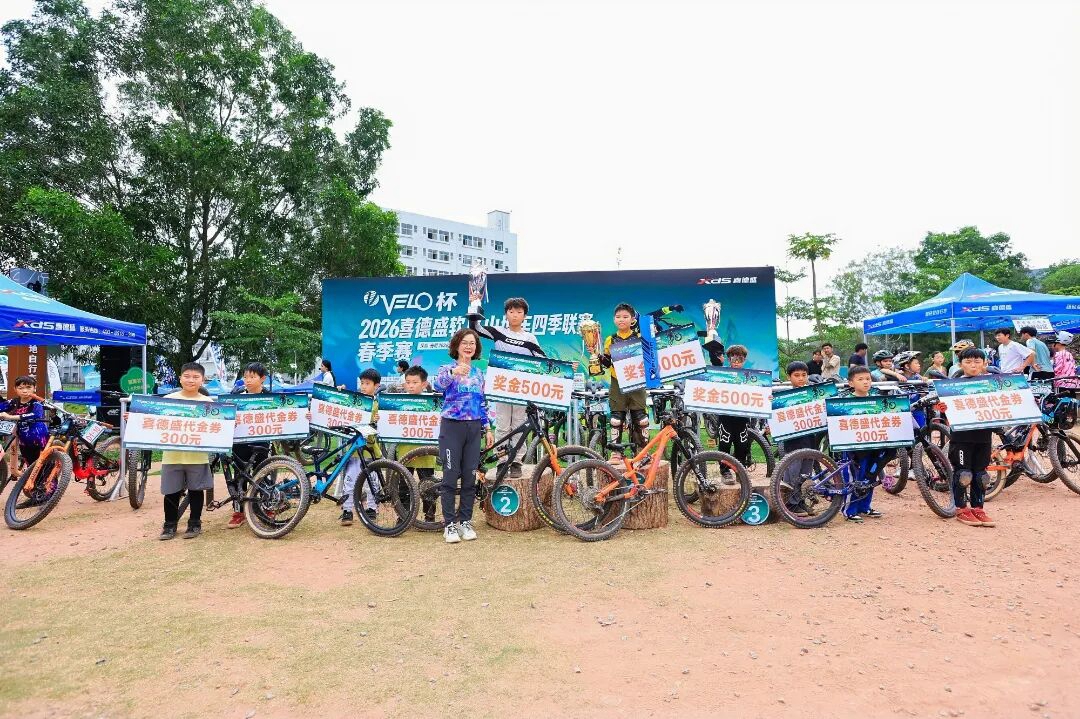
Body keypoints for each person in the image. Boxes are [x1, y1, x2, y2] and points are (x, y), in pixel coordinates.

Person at [470, 297, 543, 478]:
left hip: (522, 388)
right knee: (503, 425)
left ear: (525, 316)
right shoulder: (498, 332)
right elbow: (475, 329)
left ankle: (516, 461)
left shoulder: (530, 338)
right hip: (502, 386)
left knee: (519, 423)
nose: (515, 315)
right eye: (511, 311)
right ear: (506, 314)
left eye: (519, 312)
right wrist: (475, 306)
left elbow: (542, 360)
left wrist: (565, 368)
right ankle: (503, 461)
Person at [433, 329, 493, 544]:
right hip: (452, 428)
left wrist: (488, 428)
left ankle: (465, 521)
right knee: (450, 475)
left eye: (473, 343)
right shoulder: (446, 369)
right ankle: (449, 524)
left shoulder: (478, 374)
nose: (469, 346)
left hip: (474, 427)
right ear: (457, 345)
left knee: (470, 476)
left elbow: (482, 402)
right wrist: (454, 373)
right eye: (465, 342)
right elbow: (437, 385)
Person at [158, 363, 215, 540]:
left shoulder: (209, 403)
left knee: (196, 491)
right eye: (187, 376)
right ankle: (169, 526)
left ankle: (195, 524)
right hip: (171, 455)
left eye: (196, 377)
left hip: (198, 457)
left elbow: (218, 425)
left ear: (202, 380)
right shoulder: (168, 399)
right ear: (180, 378)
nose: (191, 380)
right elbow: (151, 421)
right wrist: (136, 418)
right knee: (171, 492)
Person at [593, 303, 650, 453]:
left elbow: (650, 357)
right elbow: (607, 363)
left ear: (632, 320)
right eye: (618, 317)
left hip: (636, 382)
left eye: (625, 317)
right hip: (617, 382)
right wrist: (598, 357)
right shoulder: (610, 340)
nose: (621, 320)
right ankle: (616, 453)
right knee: (616, 419)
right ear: (614, 320)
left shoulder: (640, 337)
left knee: (641, 418)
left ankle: (643, 452)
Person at [949, 347, 996, 527]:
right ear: (960, 364)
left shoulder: (992, 384)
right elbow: (941, 406)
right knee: (964, 473)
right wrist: (943, 408)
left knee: (981, 475)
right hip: (961, 436)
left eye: (977, 361)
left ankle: (978, 508)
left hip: (984, 435)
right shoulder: (952, 386)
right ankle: (961, 508)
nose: (973, 365)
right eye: (968, 362)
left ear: (985, 364)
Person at [225, 362, 273, 529]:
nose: (248, 380)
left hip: (262, 442)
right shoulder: (236, 396)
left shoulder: (271, 399)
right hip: (240, 443)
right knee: (240, 476)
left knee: (262, 474)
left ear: (262, 379)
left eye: (252, 377)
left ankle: (266, 507)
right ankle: (239, 511)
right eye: (245, 377)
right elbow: (225, 415)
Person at [842, 365, 890, 523]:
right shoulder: (844, 403)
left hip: (875, 444)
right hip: (853, 447)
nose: (865, 382)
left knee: (870, 475)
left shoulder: (877, 400)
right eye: (860, 379)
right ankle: (850, 509)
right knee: (855, 476)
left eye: (868, 379)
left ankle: (865, 506)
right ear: (851, 383)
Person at [339, 368, 382, 526]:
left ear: (376, 386)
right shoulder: (354, 402)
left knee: (373, 481)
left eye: (367, 383)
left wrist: (379, 418)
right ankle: (347, 510)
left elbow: (384, 425)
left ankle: (372, 508)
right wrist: (339, 395)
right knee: (350, 480)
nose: (363, 386)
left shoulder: (379, 405)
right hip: (354, 450)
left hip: (370, 450)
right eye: (362, 383)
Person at [777, 361, 821, 516]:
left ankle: (800, 501)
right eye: (796, 375)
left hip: (810, 441)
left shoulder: (813, 397)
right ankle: (790, 504)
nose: (801, 378)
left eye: (804, 375)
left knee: (805, 474)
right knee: (792, 474)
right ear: (789, 377)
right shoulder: (784, 399)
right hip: (793, 444)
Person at [396, 366, 439, 523]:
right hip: (404, 452)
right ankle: (403, 515)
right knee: (403, 487)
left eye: (415, 382)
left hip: (426, 453)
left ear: (424, 383)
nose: (411, 385)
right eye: (408, 382)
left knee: (428, 486)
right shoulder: (397, 403)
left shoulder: (433, 403)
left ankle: (429, 516)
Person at [714, 345, 752, 471]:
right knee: (725, 443)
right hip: (725, 416)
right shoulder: (721, 375)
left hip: (742, 416)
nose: (736, 363)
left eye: (739, 360)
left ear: (744, 360)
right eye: (733, 359)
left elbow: (759, 393)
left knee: (742, 444)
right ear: (728, 359)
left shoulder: (750, 377)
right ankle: (724, 471)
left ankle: (740, 470)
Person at [0, 375, 50, 471]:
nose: (24, 391)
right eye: (20, 388)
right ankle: (32, 484)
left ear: (34, 388)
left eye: (28, 387)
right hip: (24, 439)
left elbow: (33, 414)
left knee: (44, 464)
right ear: (15, 389)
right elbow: (2, 406)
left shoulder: (36, 403)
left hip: (39, 438)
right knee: (30, 464)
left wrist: (9, 416)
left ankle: (51, 486)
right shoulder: (14, 402)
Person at [1051, 331, 1078, 396]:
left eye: (1054, 343)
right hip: (1072, 382)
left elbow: (1057, 369)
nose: (1052, 345)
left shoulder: (1059, 354)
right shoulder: (1069, 354)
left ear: (1059, 343)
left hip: (1061, 382)